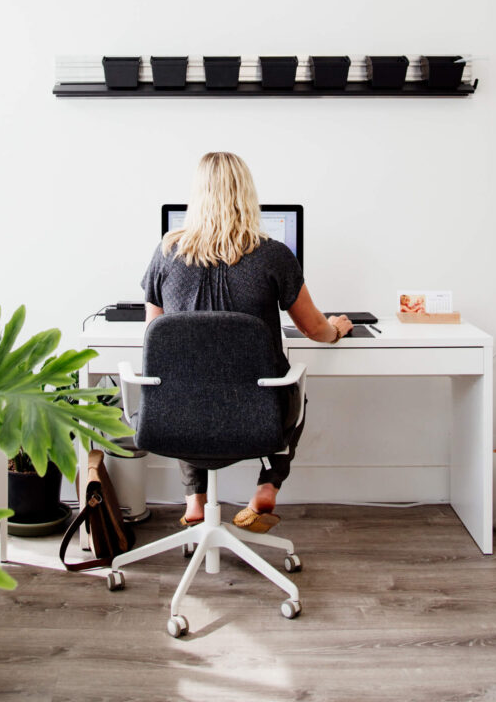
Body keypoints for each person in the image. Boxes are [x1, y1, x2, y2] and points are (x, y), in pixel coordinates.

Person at [141, 151, 352, 533]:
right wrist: (336, 328)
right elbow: (312, 329)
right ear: (247, 194)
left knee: (185, 383)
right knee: (294, 392)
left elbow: (155, 344)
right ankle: (266, 489)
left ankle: (194, 503)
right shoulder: (273, 255)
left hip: (181, 411)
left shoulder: (166, 252)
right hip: (260, 410)